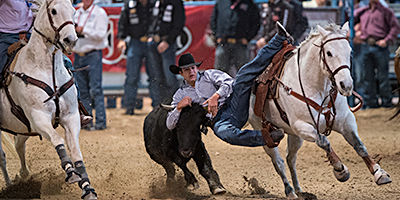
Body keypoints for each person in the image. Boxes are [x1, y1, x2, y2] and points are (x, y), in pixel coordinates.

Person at [166, 23, 291, 148]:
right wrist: (178, 108)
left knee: (242, 74)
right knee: (225, 133)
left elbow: (229, 82)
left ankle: (278, 40)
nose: (191, 72)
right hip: (218, 121)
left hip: (234, 104)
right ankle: (267, 137)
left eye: (193, 68)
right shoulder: (180, 94)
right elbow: (169, 124)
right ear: (181, 73)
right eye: (187, 70)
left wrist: (216, 95)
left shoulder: (208, 75)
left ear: (197, 68)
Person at [117, 0, 164, 115]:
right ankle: (129, 107)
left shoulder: (156, 3)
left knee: (154, 75)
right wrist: (121, 39)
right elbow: (123, 22)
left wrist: (157, 36)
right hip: (135, 41)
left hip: (151, 42)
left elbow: (161, 21)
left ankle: (157, 107)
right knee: (131, 76)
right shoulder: (130, 4)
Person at [354, 0, 400, 108]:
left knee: (382, 76)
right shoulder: (363, 11)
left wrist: (386, 40)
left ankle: (386, 102)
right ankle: (371, 103)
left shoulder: (386, 11)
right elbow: (351, 19)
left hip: (380, 46)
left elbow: (395, 27)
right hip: (365, 45)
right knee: (367, 77)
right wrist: (356, 31)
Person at [73, 0, 108, 130]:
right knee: (82, 91)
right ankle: (87, 122)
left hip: (93, 54)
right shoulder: (77, 12)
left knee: (96, 89)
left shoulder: (99, 13)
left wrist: (84, 30)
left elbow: (101, 34)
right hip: (79, 55)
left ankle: (100, 122)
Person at [147, 0, 185, 104]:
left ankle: (175, 103)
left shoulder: (176, 2)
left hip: (167, 43)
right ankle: (159, 104)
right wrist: (150, 35)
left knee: (169, 76)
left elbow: (179, 24)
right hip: (153, 42)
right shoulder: (155, 2)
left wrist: (168, 41)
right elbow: (149, 20)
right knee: (156, 76)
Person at [210, 0, 260, 77]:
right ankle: (220, 88)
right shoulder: (221, 2)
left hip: (240, 44)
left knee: (244, 72)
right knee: (219, 73)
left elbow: (256, 23)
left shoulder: (249, 4)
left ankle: (244, 89)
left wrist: (248, 38)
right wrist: (217, 36)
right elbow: (213, 20)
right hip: (224, 43)